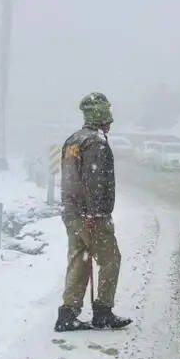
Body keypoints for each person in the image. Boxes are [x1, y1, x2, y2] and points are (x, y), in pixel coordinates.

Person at [54, 92, 132, 332]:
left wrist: (76, 212)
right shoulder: (95, 142)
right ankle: (103, 311)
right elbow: (94, 182)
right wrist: (94, 215)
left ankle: (68, 314)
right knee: (110, 259)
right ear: (100, 115)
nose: (111, 119)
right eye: (107, 113)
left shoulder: (73, 140)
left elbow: (70, 180)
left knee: (80, 261)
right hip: (91, 216)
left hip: (72, 212)